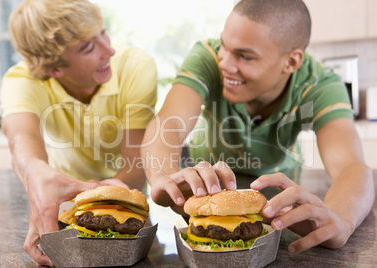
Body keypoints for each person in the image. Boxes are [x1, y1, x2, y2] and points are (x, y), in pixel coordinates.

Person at [141, 0, 374, 254]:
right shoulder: (207, 57)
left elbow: (351, 167)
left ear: (291, 62)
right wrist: (162, 178)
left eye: (244, 56)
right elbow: (166, 127)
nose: (225, 64)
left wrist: (341, 221)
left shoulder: (320, 84)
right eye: (224, 47)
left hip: (279, 213)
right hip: (205, 202)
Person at [0, 0, 157, 266]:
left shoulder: (135, 66)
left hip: (126, 205)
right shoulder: (21, 79)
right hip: (62, 211)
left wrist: (106, 196)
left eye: (103, 32)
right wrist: (34, 173)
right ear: (54, 69)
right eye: (88, 47)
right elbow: (21, 139)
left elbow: (136, 162)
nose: (109, 50)